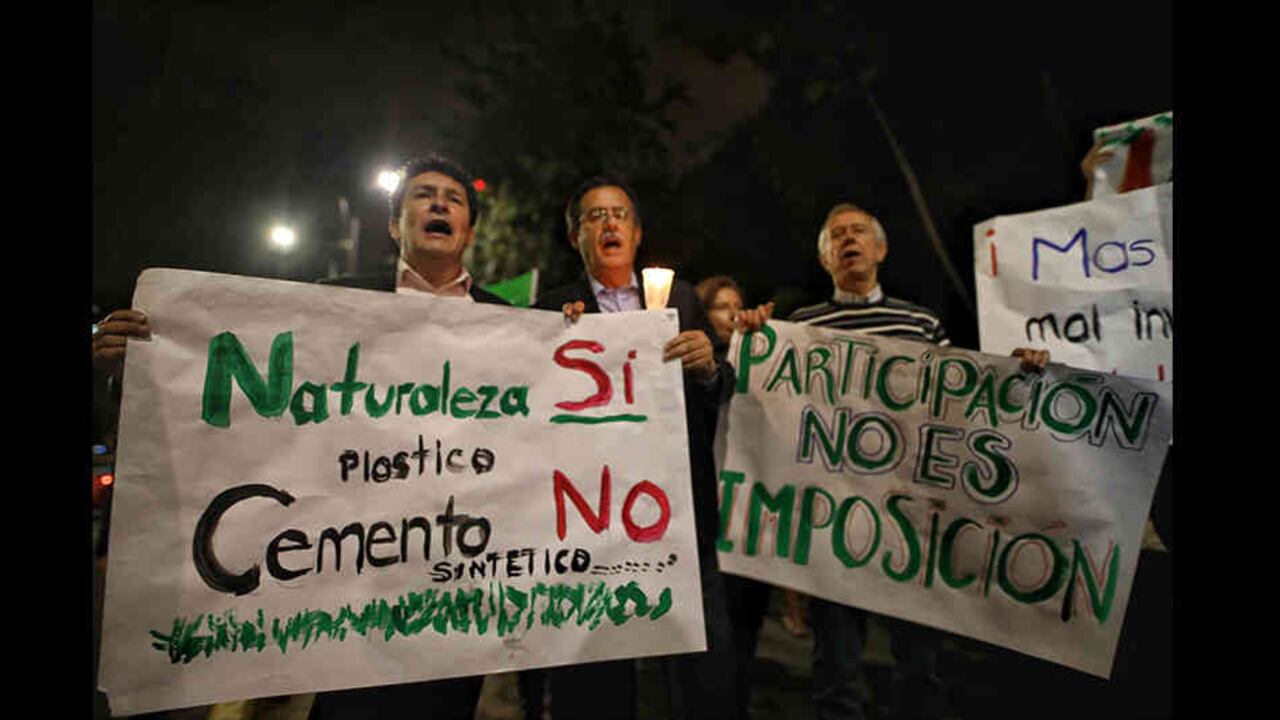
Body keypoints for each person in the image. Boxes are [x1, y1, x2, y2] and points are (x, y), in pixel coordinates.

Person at [92, 152, 505, 720]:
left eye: (453, 199)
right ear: (394, 225)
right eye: (423, 194)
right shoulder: (327, 304)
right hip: (353, 573)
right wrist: (136, 368)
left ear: (470, 229)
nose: (439, 204)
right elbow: (237, 400)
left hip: (456, 577)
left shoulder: (513, 322)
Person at [736, 202, 1047, 720]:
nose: (848, 239)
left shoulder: (921, 323)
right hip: (833, 519)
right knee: (836, 669)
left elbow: (962, 407)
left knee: (921, 668)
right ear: (825, 259)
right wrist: (753, 338)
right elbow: (775, 414)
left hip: (912, 521)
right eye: (837, 235)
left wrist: (1017, 376)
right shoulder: (801, 328)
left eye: (858, 231)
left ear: (880, 249)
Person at [533, 176, 739, 720]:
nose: (609, 224)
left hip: (678, 517)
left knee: (702, 671)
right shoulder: (552, 308)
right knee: (595, 676)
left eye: (619, 214)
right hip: (591, 520)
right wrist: (553, 340)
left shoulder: (683, 299)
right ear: (575, 236)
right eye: (595, 216)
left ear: (638, 232)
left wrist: (708, 366)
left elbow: (720, 387)